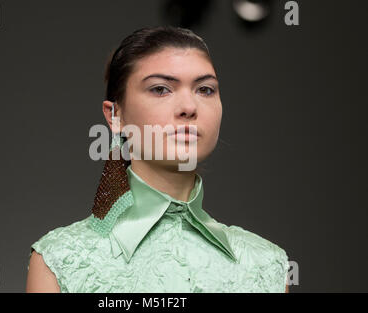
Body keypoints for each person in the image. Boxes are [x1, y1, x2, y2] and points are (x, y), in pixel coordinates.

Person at [26, 26, 290, 293]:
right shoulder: (59, 261)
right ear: (115, 115)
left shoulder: (266, 265)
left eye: (205, 90)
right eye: (161, 89)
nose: (188, 107)